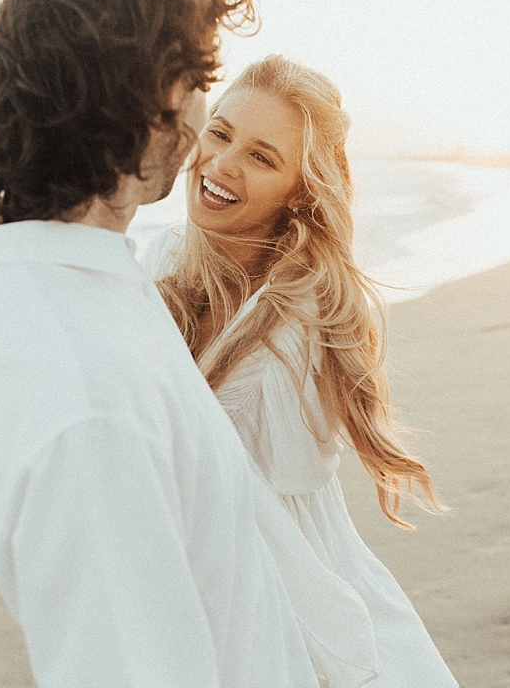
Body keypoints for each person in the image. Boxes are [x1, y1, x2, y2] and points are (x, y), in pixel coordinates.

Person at [0, 0, 375, 687]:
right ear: (153, 100)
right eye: (200, 82)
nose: (208, 119)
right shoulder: (88, 404)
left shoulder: (63, 282)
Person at [145, 55, 459, 687]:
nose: (223, 164)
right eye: (222, 133)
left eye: (263, 158)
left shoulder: (301, 316)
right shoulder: (164, 261)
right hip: (193, 574)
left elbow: (267, 490)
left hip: (289, 589)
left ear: (301, 189)